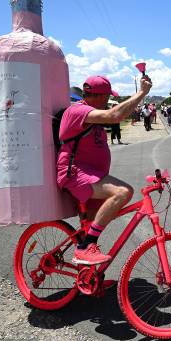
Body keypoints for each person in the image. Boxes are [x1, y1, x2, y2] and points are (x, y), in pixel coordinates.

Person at [56, 75, 152, 264]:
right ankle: (85, 247)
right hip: (75, 173)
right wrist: (142, 93)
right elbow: (114, 115)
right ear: (99, 96)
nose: (108, 102)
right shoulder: (77, 111)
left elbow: (119, 114)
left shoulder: (93, 114)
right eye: (107, 97)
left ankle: (88, 276)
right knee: (123, 192)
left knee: (90, 226)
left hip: (92, 175)